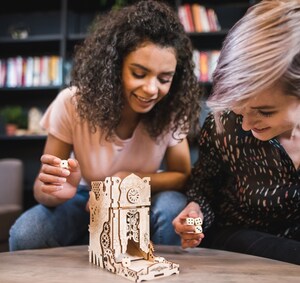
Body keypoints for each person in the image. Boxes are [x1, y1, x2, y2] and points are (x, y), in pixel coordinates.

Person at [9, 0, 201, 251]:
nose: (152, 89)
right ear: (115, 66)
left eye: (164, 78)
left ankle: (165, 282)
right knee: (27, 233)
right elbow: (42, 188)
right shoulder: (72, 103)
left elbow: (182, 177)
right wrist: (58, 191)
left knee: (174, 205)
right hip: (85, 198)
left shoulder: (171, 110)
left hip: (142, 199)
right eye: (139, 74)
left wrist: (127, 180)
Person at [173, 0, 300, 265]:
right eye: (241, 109)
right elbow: (203, 188)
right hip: (239, 240)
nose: (245, 125)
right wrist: (195, 211)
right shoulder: (225, 125)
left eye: (265, 111)